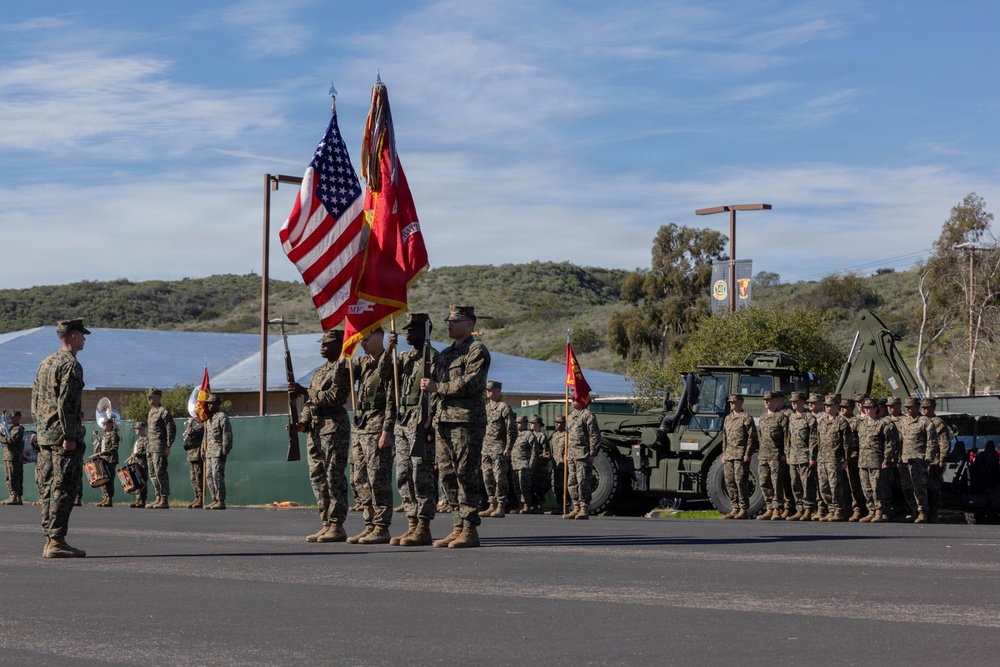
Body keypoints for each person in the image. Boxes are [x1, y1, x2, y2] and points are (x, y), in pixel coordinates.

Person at [421, 305, 491, 548]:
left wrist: (437, 388)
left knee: (466, 474)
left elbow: (471, 382)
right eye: (447, 320)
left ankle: (470, 529)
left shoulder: (476, 350)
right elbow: (430, 378)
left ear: (470, 323)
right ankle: (457, 526)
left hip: (466, 421)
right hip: (444, 420)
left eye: (455, 320)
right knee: (448, 475)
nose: (449, 324)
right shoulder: (445, 354)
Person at [31, 318, 89, 558]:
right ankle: (56, 541)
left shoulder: (46, 363)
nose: (85, 338)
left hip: (45, 436)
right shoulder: (70, 365)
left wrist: (41, 429)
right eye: (82, 334)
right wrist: (70, 435)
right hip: (62, 437)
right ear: (73, 336)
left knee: (47, 488)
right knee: (64, 488)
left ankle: (50, 539)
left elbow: (34, 400)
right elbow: (67, 404)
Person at [288, 329, 352, 543]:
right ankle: (326, 523)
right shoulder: (318, 372)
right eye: (321, 343)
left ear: (340, 344)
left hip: (334, 426)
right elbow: (310, 403)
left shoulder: (342, 368)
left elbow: (336, 396)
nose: (322, 347)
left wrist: (305, 391)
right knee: (317, 477)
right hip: (315, 428)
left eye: (327, 343)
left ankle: (337, 525)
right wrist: (302, 422)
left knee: (334, 476)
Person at [385, 313, 439, 546]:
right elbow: (382, 374)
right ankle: (412, 523)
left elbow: (438, 392)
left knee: (421, 474)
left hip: (420, 419)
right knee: (403, 474)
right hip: (403, 418)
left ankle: (424, 526)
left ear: (425, 331)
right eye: (406, 329)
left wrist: (430, 422)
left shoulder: (435, 358)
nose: (407, 333)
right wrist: (389, 348)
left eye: (412, 329)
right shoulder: (404, 357)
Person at [346, 327, 395, 545]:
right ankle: (369, 524)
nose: (362, 344)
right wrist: (346, 349)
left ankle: (382, 527)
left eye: (365, 340)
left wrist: (387, 430)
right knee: (360, 479)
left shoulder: (392, 363)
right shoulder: (362, 363)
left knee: (378, 479)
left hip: (377, 428)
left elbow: (391, 400)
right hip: (360, 427)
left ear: (379, 338)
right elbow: (344, 373)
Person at [896, 397, 935, 523]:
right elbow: (899, 441)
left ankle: (923, 512)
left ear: (917, 406)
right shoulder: (903, 421)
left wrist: (928, 458)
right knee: (907, 488)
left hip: (919, 460)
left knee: (919, 487)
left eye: (910, 406)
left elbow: (932, 442)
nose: (907, 409)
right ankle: (914, 511)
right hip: (904, 460)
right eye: (906, 407)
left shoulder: (925, 422)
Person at [564, 393, 601, 520]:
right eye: (572, 400)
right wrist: (566, 453)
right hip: (572, 455)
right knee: (572, 482)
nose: (573, 402)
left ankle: (584, 507)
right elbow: (568, 437)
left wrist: (592, 453)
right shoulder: (570, 416)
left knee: (583, 481)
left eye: (575, 399)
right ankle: (576, 507)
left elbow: (594, 435)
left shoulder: (587, 415)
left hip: (583, 454)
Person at [721, 393, 758, 520]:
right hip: (729, 455)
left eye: (734, 402)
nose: (731, 404)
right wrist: (724, 453)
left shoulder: (746, 418)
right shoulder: (728, 418)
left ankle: (743, 508)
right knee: (729, 481)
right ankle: (734, 507)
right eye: (730, 402)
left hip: (740, 455)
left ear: (740, 403)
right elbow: (725, 437)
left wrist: (748, 454)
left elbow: (752, 438)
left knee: (740, 481)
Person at [856, 399, 894, 522]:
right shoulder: (861, 424)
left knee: (877, 487)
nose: (866, 410)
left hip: (876, 461)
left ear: (875, 408)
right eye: (865, 408)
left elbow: (889, 444)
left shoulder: (883, 424)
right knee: (866, 488)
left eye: (869, 408)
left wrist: (886, 459)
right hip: (863, 461)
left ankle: (880, 511)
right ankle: (871, 510)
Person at [482, 379, 515, 519]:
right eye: (487, 389)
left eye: (491, 389)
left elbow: (511, 429)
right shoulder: (485, 408)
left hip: (499, 448)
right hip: (485, 448)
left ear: (498, 391)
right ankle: (492, 504)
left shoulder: (503, 408)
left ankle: (501, 505)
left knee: (499, 477)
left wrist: (508, 447)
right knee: (487, 477)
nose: (488, 391)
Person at [815, 394, 848, 522]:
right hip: (822, 458)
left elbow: (846, 443)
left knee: (835, 486)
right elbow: (818, 440)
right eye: (826, 406)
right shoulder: (822, 422)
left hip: (835, 459)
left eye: (829, 406)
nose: (827, 408)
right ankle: (831, 509)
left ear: (836, 406)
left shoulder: (841, 422)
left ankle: (839, 510)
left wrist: (845, 460)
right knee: (823, 486)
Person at [785, 392, 818, 521]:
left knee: (807, 484)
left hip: (805, 456)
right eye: (792, 401)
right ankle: (799, 509)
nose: (793, 403)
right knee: (795, 484)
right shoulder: (792, 418)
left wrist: (812, 457)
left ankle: (808, 509)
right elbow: (788, 438)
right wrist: (787, 454)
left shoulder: (809, 418)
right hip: (793, 456)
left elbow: (813, 439)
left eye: (795, 401)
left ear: (802, 402)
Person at [756, 391, 788, 520]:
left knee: (776, 483)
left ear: (775, 402)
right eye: (765, 400)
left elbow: (786, 438)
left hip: (776, 455)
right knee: (764, 481)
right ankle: (769, 507)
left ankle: (777, 509)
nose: (766, 403)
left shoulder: (781, 417)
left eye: (769, 400)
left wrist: (784, 453)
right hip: (763, 455)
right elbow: (760, 435)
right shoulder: (763, 417)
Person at [145, 388, 176, 509]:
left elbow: (171, 429)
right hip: (150, 447)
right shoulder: (151, 412)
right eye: (148, 397)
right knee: (152, 473)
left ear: (158, 397)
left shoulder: (164, 412)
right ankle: (157, 497)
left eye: (151, 397)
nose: (149, 399)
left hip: (160, 446)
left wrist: (168, 446)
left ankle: (164, 498)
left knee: (160, 472)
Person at [920, 398, 948, 523]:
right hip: (921, 459)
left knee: (933, 487)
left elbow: (944, 443)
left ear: (933, 408)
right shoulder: (920, 421)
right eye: (923, 408)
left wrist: (942, 458)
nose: (924, 410)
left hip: (934, 460)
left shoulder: (938, 423)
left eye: (926, 408)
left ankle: (934, 513)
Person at [840, 398, 868, 522]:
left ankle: (858, 509)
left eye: (845, 407)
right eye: (841, 407)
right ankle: (846, 509)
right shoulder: (838, 421)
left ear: (852, 408)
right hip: (839, 457)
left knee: (854, 485)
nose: (842, 409)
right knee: (843, 485)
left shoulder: (856, 422)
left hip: (853, 457)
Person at [203, 394, 233, 509]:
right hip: (209, 452)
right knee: (209, 476)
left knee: (217, 475)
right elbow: (206, 436)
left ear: (217, 404)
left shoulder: (222, 417)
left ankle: (221, 500)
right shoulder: (210, 418)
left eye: (211, 403)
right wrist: (203, 449)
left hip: (218, 452)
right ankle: (214, 499)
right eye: (208, 403)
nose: (209, 405)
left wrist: (224, 451)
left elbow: (227, 436)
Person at [511, 415, 539, 513]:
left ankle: (527, 505)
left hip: (524, 465)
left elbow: (535, 451)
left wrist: (531, 464)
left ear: (525, 423)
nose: (517, 424)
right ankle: (520, 504)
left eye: (519, 422)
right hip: (514, 465)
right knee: (516, 486)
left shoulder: (528, 435)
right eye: (516, 422)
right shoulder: (514, 434)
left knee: (525, 486)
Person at [94, 416, 119, 507]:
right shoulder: (105, 435)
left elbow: (114, 447)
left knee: (109, 479)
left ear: (110, 425)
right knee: (103, 479)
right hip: (104, 459)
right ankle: (105, 497)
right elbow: (101, 445)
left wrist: (105, 451)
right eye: (103, 424)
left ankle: (109, 499)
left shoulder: (113, 434)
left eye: (105, 424)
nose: (104, 426)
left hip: (110, 459)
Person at [1, 410, 25, 505]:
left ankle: (15, 496)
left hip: (13, 456)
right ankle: (14, 496)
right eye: (10, 416)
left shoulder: (18, 429)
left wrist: (0, 438)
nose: (11, 418)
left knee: (13, 476)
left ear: (18, 417)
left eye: (13, 416)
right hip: (9, 456)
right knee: (9, 476)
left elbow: (10, 440)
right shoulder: (11, 428)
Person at [530, 414, 552, 511]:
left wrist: (542, 464)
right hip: (529, 464)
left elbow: (546, 453)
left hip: (538, 465)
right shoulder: (528, 435)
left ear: (538, 425)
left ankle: (539, 504)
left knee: (538, 485)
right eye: (531, 423)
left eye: (533, 423)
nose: (531, 425)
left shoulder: (541, 436)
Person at [550, 415, 571, 515]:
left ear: (563, 424)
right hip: (556, 465)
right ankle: (560, 506)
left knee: (565, 487)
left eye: (559, 422)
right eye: (556, 422)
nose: (557, 424)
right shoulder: (554, 435)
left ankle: (567, 506)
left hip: (564, 466)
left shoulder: (567, 435)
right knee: (556, 487)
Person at [182, 418, 205, 508]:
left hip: (197, 454)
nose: (195, 419)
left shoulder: (202, 426)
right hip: (191, 454)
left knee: (198, 477)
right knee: (193, 478)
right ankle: (196, 497)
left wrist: (190, 423)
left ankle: (200, 498)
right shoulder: (196, 426)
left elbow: (191, 432)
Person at [129, 422, 150, 508]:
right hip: (136, 463)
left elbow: (147, 451)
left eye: (138, 429)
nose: (136, 430)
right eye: (136, 429)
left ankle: (142, 500)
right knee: (136, 481)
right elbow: (134, 452)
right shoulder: (138, 441)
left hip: (142, 463)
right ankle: (138, 499)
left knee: (143, 481)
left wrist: (138, 454)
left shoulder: (146, 440)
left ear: (142, 430)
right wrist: (131, 458)